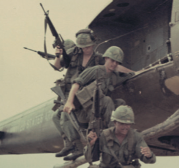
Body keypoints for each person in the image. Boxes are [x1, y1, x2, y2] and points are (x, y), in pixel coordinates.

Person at [53, 30, 132, 158]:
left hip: (87, 97)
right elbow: (58, 68)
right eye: (83, 47)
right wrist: (58, 55)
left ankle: (81, 146)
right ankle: (71, 145)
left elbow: (116, 66)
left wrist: (135, 72)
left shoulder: (99, 59)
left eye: (88, 46)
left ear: (94, 44)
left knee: (65, 116)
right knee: (57, 117)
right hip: (72, 94)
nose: (86, 50)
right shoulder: (74, 56)